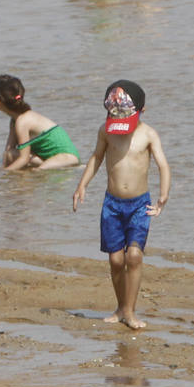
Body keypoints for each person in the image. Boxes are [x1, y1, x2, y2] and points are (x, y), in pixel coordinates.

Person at [70, 80, 171, 330]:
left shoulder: (148, 134)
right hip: (112, 205)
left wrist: (163, 196)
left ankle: (130, 311)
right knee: (116, 260)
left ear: (142, 111)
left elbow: (163, 165)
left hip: (139, 205)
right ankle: (119, 307)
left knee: (134, 256)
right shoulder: (106, 132)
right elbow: (96, 158)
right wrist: (82, 185)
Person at [0, 74, 80, 171]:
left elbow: (24, 158)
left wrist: (4, 173)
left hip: (66, 157)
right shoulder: (15, 121)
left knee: (37, 171)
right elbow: (8, 152)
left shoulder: (22, 122)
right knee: (11, 154)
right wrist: (3, 168)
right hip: (50, 158)